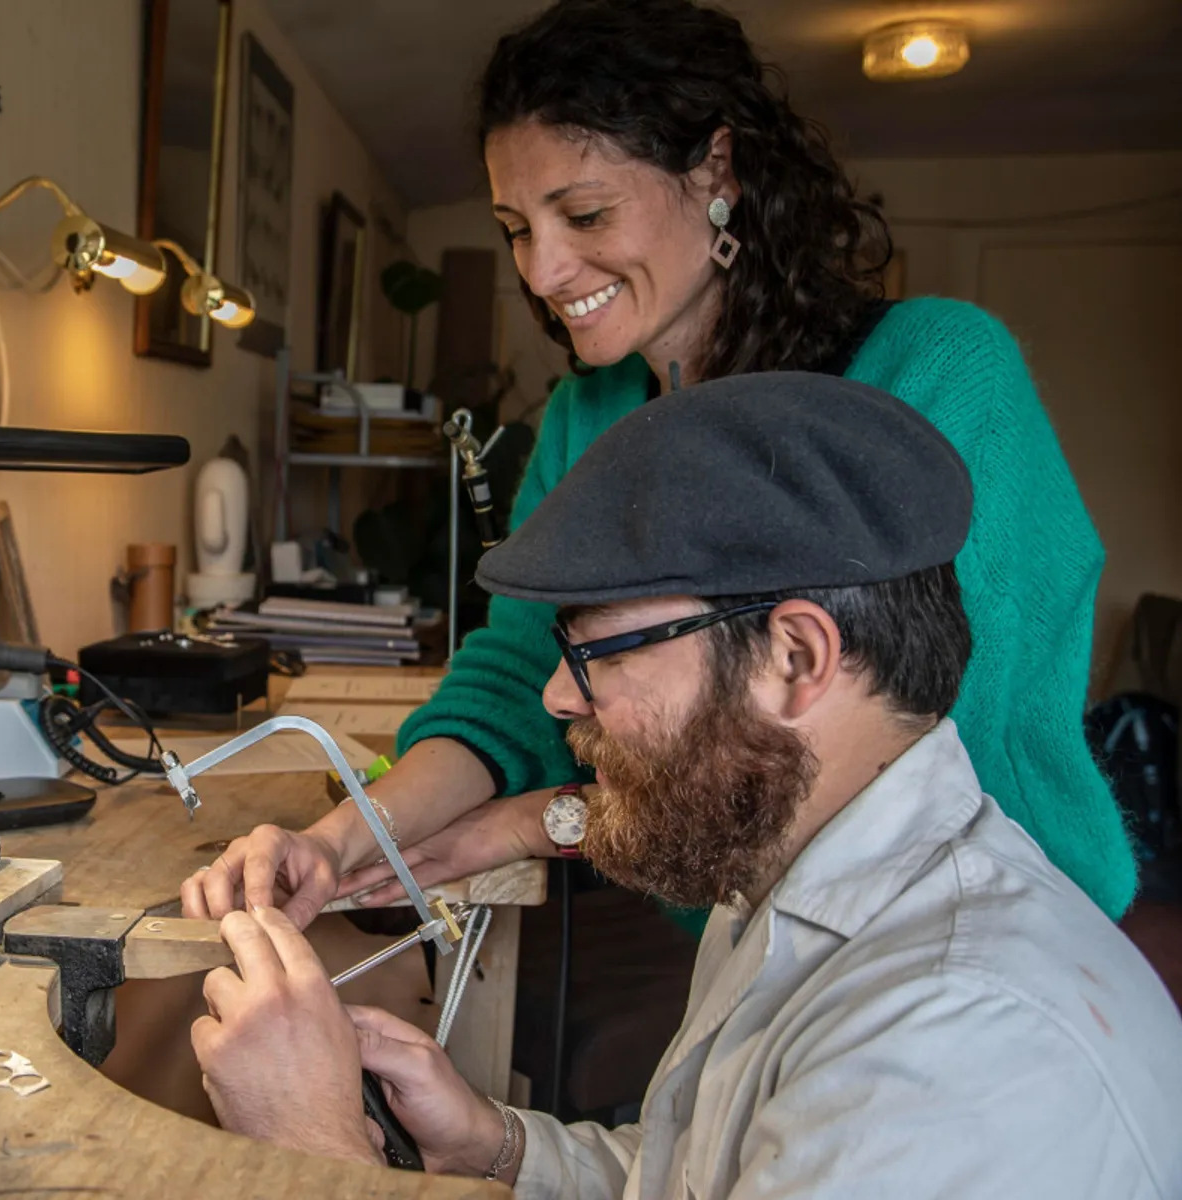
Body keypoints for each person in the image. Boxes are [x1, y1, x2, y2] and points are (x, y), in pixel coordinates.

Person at [181, 0, 1134, 932]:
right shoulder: (590, 414)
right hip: (745, 919)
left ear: (716, 169)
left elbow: (901, 744)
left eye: (585, 214)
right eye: (517, 227)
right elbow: (524, 668)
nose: (544, 272)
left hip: (972, 922)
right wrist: (344, 837)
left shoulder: (937, 372)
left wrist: (535, 822)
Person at [189, 374, 1182, 1198]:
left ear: (795, 658)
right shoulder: (786, 870)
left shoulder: (955, 1042)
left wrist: (313, 1148)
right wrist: (496, 1147)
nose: (553, 696)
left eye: (598, 655)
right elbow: (707, 1173)